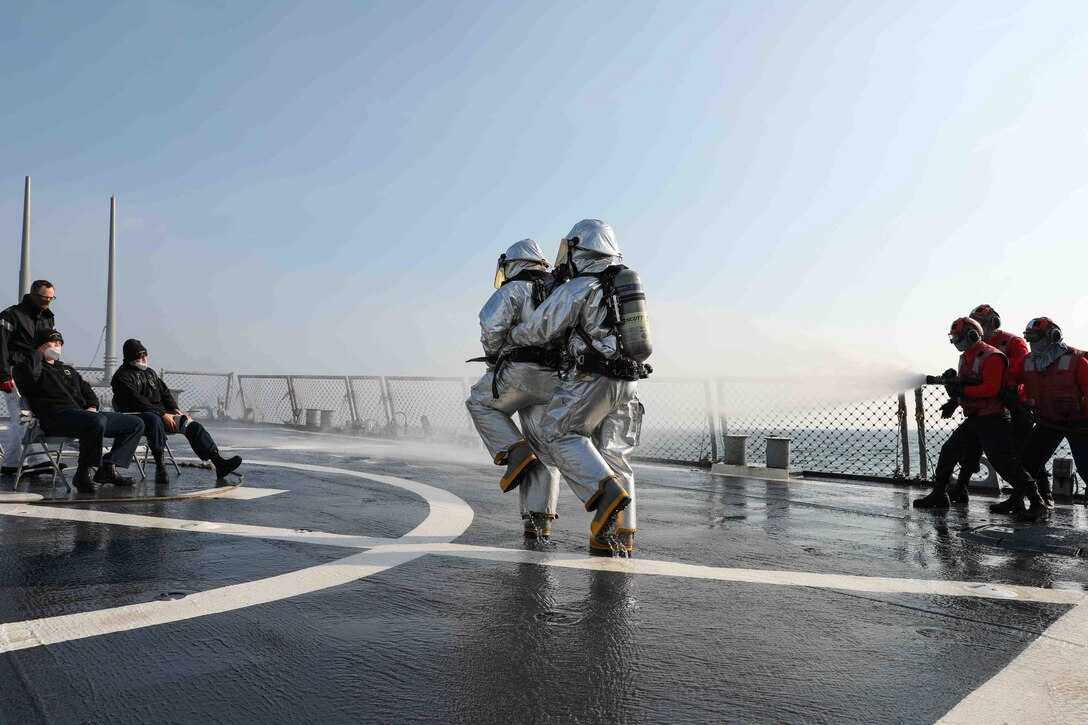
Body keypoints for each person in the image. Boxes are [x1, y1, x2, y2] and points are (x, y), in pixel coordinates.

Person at [508, 219, 650, 555]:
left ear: (580, 248)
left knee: (556, 432)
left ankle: (604, 494)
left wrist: (512, 339)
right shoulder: (621, 285)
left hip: (595, 379)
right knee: (616, 456)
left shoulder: (580, 286)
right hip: (629, 383)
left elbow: (538, 330)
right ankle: (618, 534)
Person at [465, 240, 563, 538]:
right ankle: (539, 519)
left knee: (480, 403)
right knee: (544, 447)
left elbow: (490, 325)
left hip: (518, 370)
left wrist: (495, 354)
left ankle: (514, 450)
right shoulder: (560, 290)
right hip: (555, 377)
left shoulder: (512, 290)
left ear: (512, 263)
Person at [913, 317, 1048, 522]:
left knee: (1005, 463)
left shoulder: (992, 356)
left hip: (993, 419)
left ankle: (1038, 503)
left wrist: (962, 389)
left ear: (972, 335)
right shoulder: (966, 357)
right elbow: (968, 385)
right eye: (954, 338)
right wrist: (955, 396)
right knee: (949, 451)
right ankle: (939, 494)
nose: (955, 341)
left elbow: (991, 388)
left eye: (958, 337)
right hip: (976, 418)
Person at [12, 329, 144, 494]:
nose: (58, 346)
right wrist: (36, 353)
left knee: (135, 424)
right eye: (53, 342)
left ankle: (108, 468)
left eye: (60, 343)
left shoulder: (68, 370)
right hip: (54, 418)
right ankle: (82, 474)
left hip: (83, 415)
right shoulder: (27, 368)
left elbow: (88, 392)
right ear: (41, 346)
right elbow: (27, 378)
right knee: (95, 422)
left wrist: (92, 407)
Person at [111, 338, 242, 483]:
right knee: (154, 420)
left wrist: (175, 409)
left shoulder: (150, 373)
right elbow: (136, 401)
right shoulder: (121, 377)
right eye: (140, 356)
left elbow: (165, 393)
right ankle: (161, 468)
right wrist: (162, 414)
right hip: (138, 417)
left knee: (191, 425)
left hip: (162, 415)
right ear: (131, 357)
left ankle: (218, 462)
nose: (144, 358)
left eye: (145, 355)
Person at [946, 304, 1037, 502]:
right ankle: (960, 487)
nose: (977, 327)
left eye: (980, 323)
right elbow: (970, 376)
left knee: (1017, 456)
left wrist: (985, 382)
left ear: (993, 323)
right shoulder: (972, 349)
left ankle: (1037, 498)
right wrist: (956, 398)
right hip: (983, 406)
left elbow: (1018, 371)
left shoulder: (1012, 343)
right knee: (970, 450)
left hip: (1015, 405)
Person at [1011, 318, 1088, 509]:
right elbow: (1010, 376)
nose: (1032, 343)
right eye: (1029, 338)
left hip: (1079, 421)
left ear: (1053, 336)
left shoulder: (1077, 360)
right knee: (1027, 461)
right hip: (1047, 419)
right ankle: (1028, 500)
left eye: (1036, 338)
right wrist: (1010, 389)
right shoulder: (1028, 361)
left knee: (1086, 466)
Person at [0, 280, 58, 476]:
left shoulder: (48, 318)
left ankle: (11, 463)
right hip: (16, 371)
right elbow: (1, 347)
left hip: (37, 371)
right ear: (33, 294)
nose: (48, 302)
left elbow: (48, 345)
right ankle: (38, 460)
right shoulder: (11, 315)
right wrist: (3, 375)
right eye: (44, 298)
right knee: (24, 416)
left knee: (20, 418)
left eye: (51, 298)